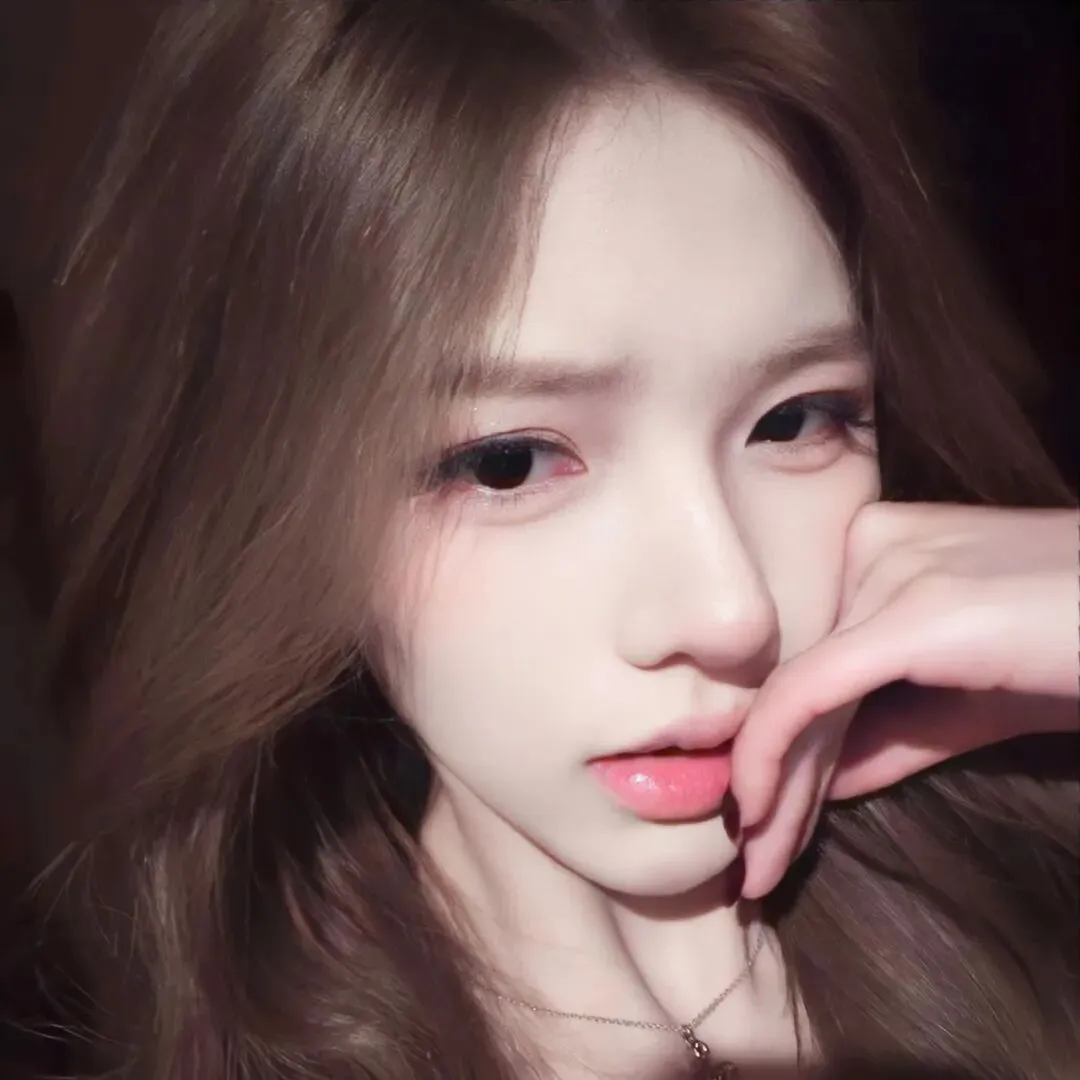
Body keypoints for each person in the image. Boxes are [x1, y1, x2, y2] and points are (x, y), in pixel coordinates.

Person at [19, 2, 1077, 1078]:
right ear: (269, 497)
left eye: (795, 420)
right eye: (509, 463)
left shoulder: (1028, 891)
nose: (728, 611)